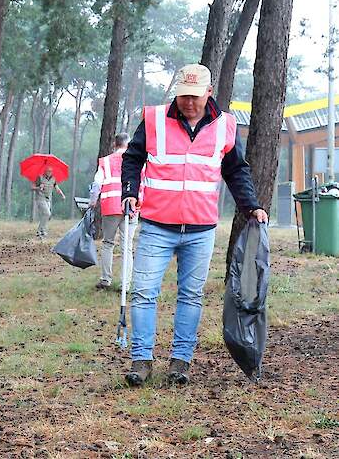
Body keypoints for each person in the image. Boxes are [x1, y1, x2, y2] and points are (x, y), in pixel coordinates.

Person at [120, 64, 267, 387]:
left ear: (209, 93)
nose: (189, 103)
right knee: (144, 293)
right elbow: (132, 158)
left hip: (200, 229)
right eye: (184, 96)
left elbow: (236, 171)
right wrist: (129, 192)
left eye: (195, 97)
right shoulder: (155, 119)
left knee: (190, 295)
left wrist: (251, 206)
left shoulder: (225, 125)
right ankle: (141, 360)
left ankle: (180, 362)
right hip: (157, 225)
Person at [94, 132, 130, 290]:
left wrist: (92, 201)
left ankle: (105, 279)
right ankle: (125, 284)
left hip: (111, 206)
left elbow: (97, 184)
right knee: (126, 246)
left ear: (115, 145)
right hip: (130, 207)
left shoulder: (106, 161)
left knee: (108, 243)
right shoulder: (135, 160)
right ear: (128, 145)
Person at [32, 166, 65, 237]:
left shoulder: (53, 179)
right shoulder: (40, 178)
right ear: (45, 171)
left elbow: (56, 187)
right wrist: (39, 187)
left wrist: (62, 195)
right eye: (48, 171)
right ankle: (40, 230)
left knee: (45, 216)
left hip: (48, 199)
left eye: (50, 171)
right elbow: (32, 187)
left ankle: (42, 231)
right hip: (40, 197)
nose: (49, 172)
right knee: (47, 213)